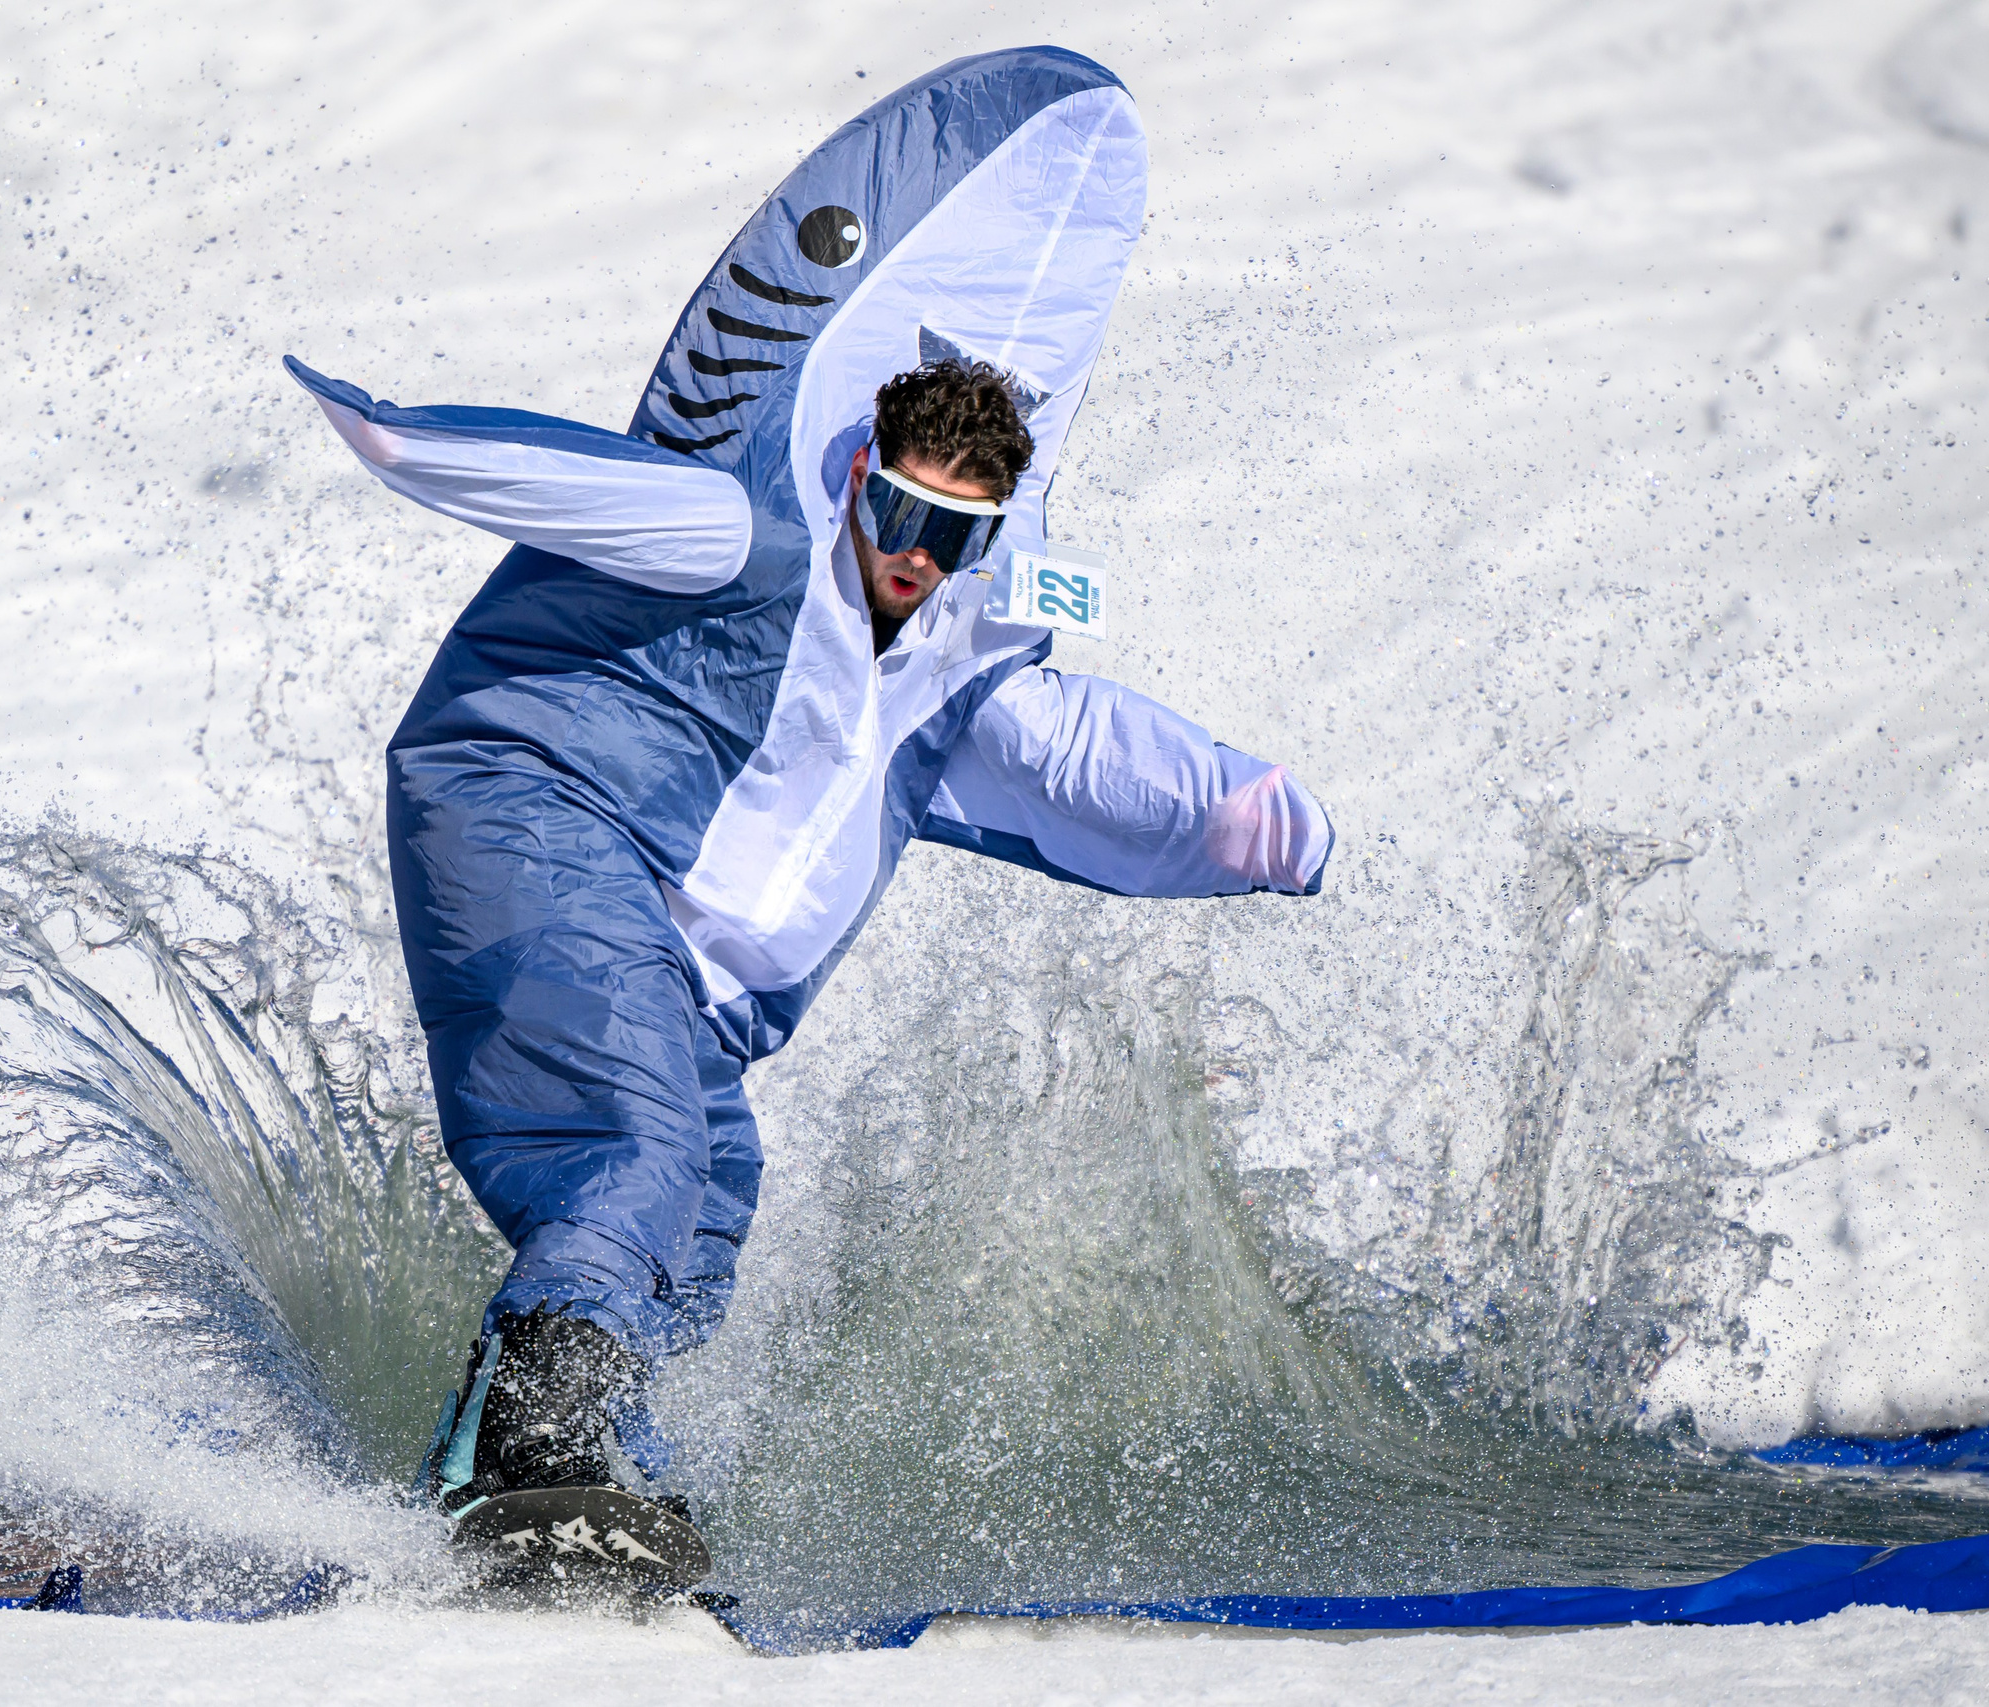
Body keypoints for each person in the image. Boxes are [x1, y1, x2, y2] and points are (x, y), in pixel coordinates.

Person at [293, 350, 1330, 1520]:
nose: (917, 556)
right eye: (901, 512)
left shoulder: (953, 654)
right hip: (536, 835)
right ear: (858, 475)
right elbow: (600, 488)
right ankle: (527, 1462)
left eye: (957, 537)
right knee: (635, 1153)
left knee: (706, 1211)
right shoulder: (753, 538)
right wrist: (407, 438)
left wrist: (1243, 815)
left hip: (674, 969)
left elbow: (1073, 753)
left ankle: (544, 1476)